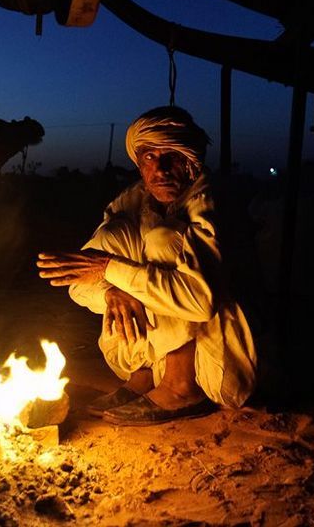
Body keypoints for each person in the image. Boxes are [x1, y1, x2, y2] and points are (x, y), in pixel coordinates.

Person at [36, 106, 257, 425]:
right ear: (139, 164)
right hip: (152, 358)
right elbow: (80, 284)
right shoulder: (134, 201)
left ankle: (181, 387)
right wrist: (113, 288)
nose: (161, 169)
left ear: (191, 161)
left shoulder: (209, 202)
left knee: (163, 239)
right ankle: (144, 377)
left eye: (172, 156)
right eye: (150, 157)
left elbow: (199, 301)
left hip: (225, 361)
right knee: (118, 238)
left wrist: (110, 270)